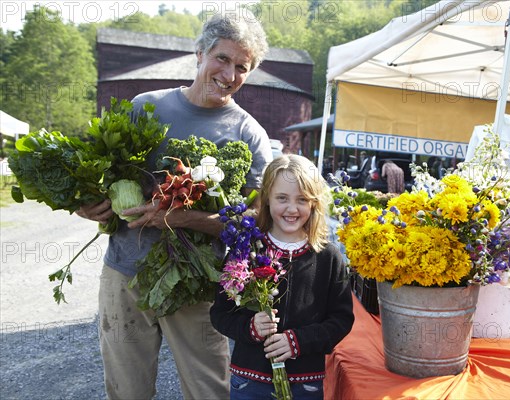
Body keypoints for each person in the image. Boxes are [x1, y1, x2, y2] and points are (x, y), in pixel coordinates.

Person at [76, 12, 272, 400]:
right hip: (125, 275)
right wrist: (84, 202)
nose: (230, 75)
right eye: (223, 59)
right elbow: (100, 172)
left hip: (197, 283)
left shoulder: (249, 134)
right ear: (199, 53)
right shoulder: (146, 108)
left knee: (208, 390)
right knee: (126, 390)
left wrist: (182, 218)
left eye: (242, 68)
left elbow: (256, 218)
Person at [210, 154, 355, 400]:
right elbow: (220, 314)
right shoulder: (246, 250)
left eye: (302, 200)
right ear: (266, 200)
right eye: (282, 198)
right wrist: (250, 328)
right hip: (249, 381)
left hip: (305, 384)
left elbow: (341, 320)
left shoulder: (328, 257)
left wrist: (298, 341)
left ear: (314, 203)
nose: (291, 208)